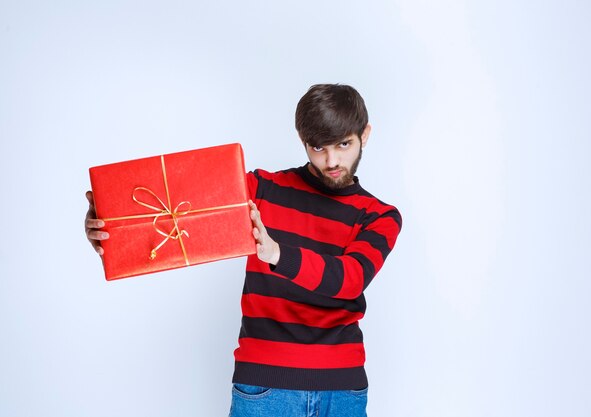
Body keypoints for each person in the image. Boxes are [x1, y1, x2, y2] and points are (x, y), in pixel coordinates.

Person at [85, 84, 402, 417]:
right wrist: (110, 225)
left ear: (364, 135)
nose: (332, 160)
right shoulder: (260, 190)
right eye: (318, 147)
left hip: (342, 393)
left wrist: (278, 254)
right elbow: (175, 206)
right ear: (302, 140)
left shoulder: (380, 215)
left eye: (344, 144)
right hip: (264, 387)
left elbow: (348, 280)